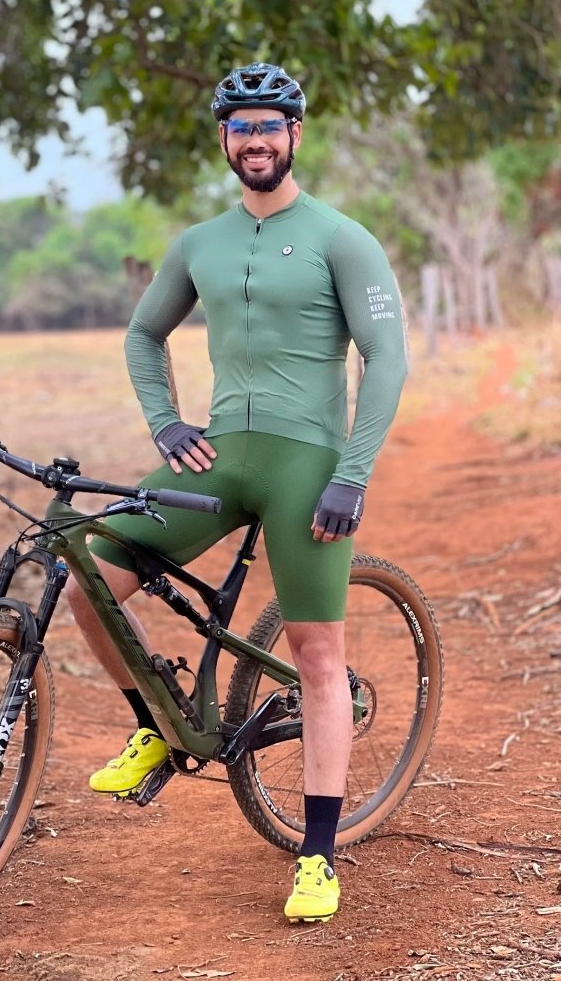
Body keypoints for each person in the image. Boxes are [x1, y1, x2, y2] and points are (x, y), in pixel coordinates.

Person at [66, 62, 409, 923]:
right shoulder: (199, 244)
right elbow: (144, 335)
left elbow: (387, 359)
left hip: (307, 463)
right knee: (88, 578)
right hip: (216, 458)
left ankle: (318, 857)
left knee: (317, 656)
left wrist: (353, 473)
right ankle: (157, 726)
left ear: (295, 135)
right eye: (241, 127)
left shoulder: (342, 239)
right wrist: (164, 423)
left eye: (269, 126)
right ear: (224, 138)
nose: (256, 141)